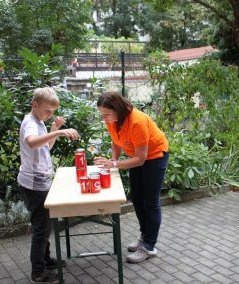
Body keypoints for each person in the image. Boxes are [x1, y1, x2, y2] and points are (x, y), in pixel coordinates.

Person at [94, 91, 169, 264]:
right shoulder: (113, 121)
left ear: (118, 110)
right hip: (135, 157)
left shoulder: (137, 121)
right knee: (136, 198)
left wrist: (113, 165)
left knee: (151, 201)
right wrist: (114, 159)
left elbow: (141, 159)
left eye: (106, 115)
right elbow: (115, 141)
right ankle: (144, 236)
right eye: (102, 115)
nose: (104, 119)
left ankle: (149, 246)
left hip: (155, 156)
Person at [17, 87, 79, 283]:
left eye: (52, 112)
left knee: (45, 224)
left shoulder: (40, 122)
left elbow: (46, 147)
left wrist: (53, 129)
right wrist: (59, 132)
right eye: (47, 111)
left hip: (40, 181)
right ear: (34, 105)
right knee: (41, 228)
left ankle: (46, 259)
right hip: (34, 184)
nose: (49, 115)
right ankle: (38, 271)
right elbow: (33, 143)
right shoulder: (30, 123)